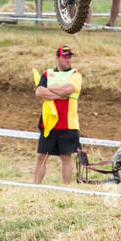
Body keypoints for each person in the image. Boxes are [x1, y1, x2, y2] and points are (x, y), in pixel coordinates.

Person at [33, 45, 82, 184]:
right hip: (48, 122)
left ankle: (66, 188)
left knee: (66, 157)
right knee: (41, 156)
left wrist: (50, 90)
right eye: (65, 57)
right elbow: (39, 92)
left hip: (67, 122)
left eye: (70, 57)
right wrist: (59, 94)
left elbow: (69, 89)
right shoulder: (47, 73)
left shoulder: (75, 74)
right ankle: (35, 188)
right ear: (57, 58)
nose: (68, 59)